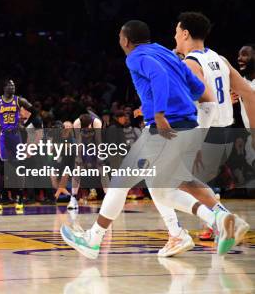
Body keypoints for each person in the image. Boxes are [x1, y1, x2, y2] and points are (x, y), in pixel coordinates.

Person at [60, 20, 238, 259]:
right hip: (187, 125)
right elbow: (195, 86)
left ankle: (94, 239)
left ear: (125, 40)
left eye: (120, 37)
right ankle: (218, 218)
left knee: (120, 182)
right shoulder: (165, 51)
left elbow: (159, 76)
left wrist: (160, 112)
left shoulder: (134, 57)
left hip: (164, 129)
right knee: (164, 188)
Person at [157, 11, 252, 249]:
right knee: (169, 182)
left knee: (162, 182)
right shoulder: (220, 59)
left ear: (185, 33)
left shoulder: (190, 63)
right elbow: (248, 94)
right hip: (225, 133)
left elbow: (197, 103)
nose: (175, 36)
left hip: (203, 132)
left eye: (177, 32)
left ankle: (211, 223)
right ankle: (212, 224)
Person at [0, 79, 37, 211]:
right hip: (4, 136)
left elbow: (34, 111)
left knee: (18, 168)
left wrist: (25, 125)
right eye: (10, 85)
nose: (13, 87)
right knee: (3, 169)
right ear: (4, 87)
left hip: (16, 136)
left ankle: (20, 197)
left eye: (14, 85)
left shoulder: (19, 100)